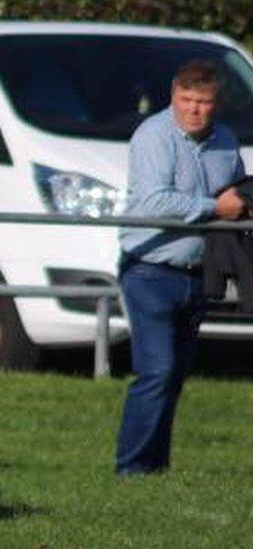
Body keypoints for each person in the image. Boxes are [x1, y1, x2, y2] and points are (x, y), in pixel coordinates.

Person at [116, 59, 247, 475]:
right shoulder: (153, 136)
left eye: (202, 102)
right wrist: (215, 207)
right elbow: (154, 203)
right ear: (173, 95)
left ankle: (155, 468)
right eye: (185, 100)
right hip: (150, 269)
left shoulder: (226, 140)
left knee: (173, 378)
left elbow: (236, 193)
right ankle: (132, 469)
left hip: (197, 274)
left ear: (216, 103)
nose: (193, 109)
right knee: (158, 370)